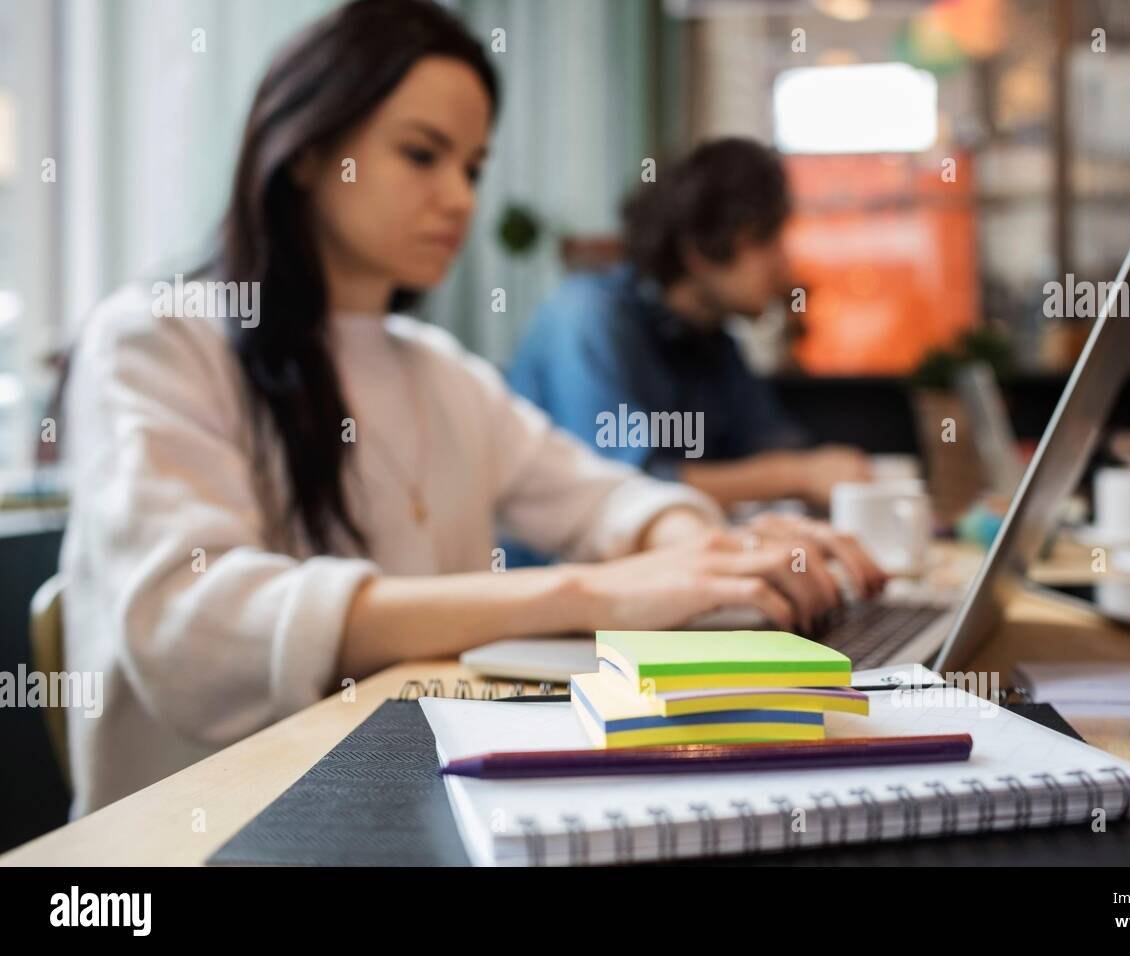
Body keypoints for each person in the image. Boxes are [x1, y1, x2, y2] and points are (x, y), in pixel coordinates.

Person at [58, 0, 884, 817]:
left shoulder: (439, 372)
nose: (460, 197)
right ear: (308, 150)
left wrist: (708, 554)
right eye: (423, 154)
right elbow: (195, 625)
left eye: (473, 167)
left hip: (413, 803)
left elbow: (604, 498)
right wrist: (589, 596)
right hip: (206, 830)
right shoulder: (156, 340)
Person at [508, 138, 874, 514]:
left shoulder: (714, 340)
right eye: (765, 241)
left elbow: (772, 445)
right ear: (701, 248)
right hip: (558, 569)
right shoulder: (588, 317)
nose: (784, 264)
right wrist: (796, 475)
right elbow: (625, 486)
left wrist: (808, 470)